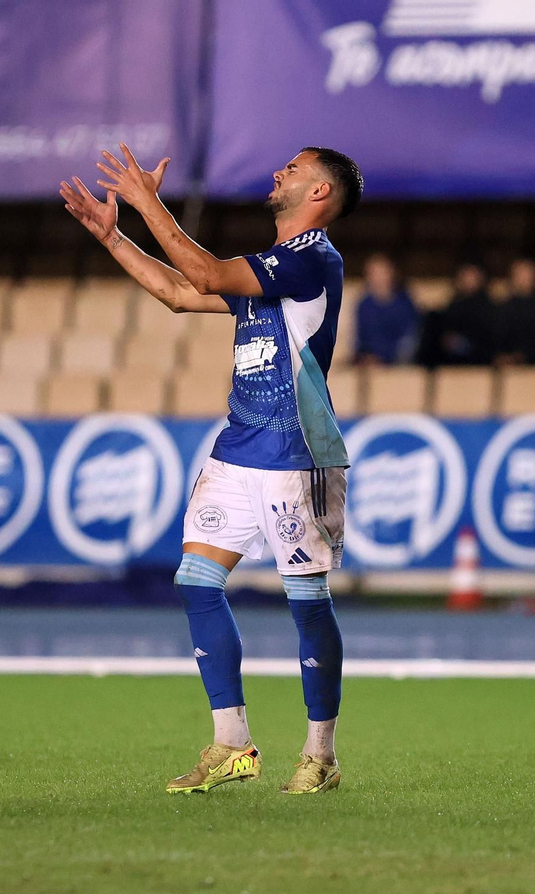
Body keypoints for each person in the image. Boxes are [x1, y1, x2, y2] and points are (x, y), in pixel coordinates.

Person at [62, 142, 360, 796]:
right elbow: (176, 292)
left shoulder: (311, 259)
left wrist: (148, 203)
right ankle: (231, 742)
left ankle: (321, 753)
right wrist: (115, 239)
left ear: (320, 195)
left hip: (296, 454)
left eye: (295, 168)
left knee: (307, 604)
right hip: (239, 448)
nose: (279, 169)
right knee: (198, 582)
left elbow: (201, 275)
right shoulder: (270, 269)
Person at [417, 262, 492, 367]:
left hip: (477, 356)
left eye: (472, 275)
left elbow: (485, 336)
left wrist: (462, 342)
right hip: (450, 356)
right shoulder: (454, 304)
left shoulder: (487, 306)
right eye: (466, 274)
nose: (469, 279)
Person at [353, 253, 418, 365]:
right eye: (374, 273)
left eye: (382, 272)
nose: (378, 277)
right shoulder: (364, 305)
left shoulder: (405, 303)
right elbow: (361, 340)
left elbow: (409, 339)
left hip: (399, 363)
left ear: (391, 273)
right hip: (370, 362)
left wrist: (383, 357)